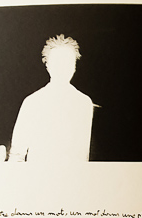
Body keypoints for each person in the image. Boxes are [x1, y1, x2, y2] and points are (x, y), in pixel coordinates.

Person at [9, 34, 94, 162]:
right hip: (39, 173)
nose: (63, 67)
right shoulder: (32, 102)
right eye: (58, 62)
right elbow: (16, 155)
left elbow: (84, 155)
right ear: (47, 65)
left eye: (68, 62)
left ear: (74, 66)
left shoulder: (84, 103)